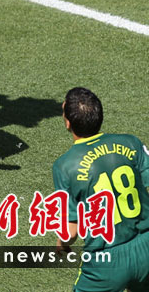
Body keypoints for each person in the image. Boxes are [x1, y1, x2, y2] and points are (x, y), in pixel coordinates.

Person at [53, 87, 149, 291]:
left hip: (106, 262)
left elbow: (70, 231)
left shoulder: (65, 166)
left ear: (68, 122)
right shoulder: (130, 142)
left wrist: (62, 244)